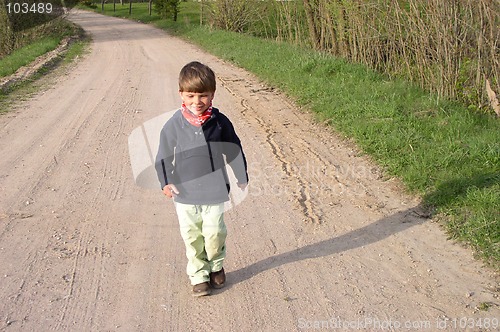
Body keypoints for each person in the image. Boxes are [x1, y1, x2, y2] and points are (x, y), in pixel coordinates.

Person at [155, 61, 248, 297]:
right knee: (192, 235)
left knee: (215, 232)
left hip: (215, 190)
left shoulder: (220, 122)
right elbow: (164, 155)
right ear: (181, 95)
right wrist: (165, 181)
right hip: (184, 193)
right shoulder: (174, 125)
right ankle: (198, 275)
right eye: (191, 95)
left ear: (212, 94)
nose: (197, 101)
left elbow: (234, 149)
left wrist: (241, 176)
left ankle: (215, 265)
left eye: (203, 95)